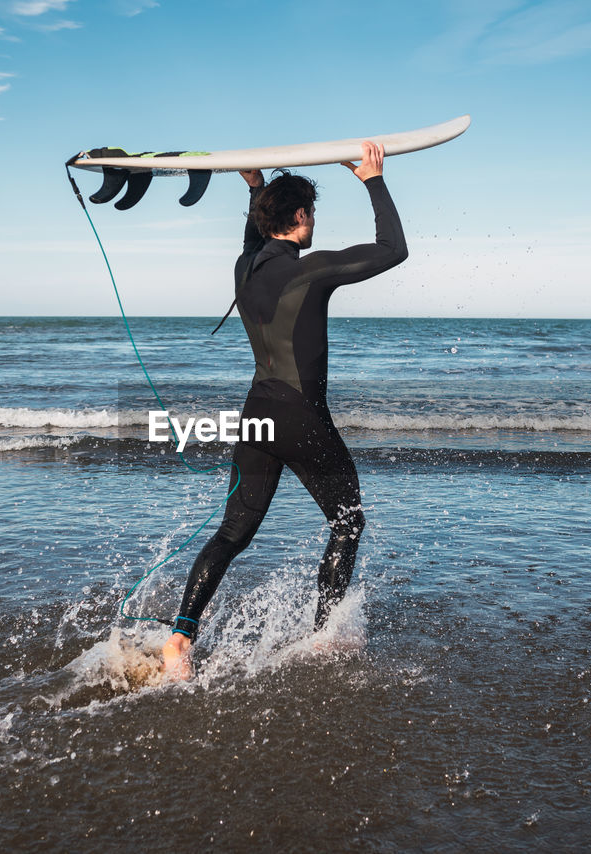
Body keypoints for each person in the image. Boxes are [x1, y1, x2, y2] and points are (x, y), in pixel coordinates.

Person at [161, 141, 407, 678]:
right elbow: (393, 249)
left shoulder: (243, 270)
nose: (314, 221)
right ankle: (323, 635)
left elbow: (254, 241)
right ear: (301, 217)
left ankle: (179, 638)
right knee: (347, 523)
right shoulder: (311, 270)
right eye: (311, 213)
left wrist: (254, 187)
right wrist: (373, 179)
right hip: (300, 415)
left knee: (232, 533)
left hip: (258, 415)